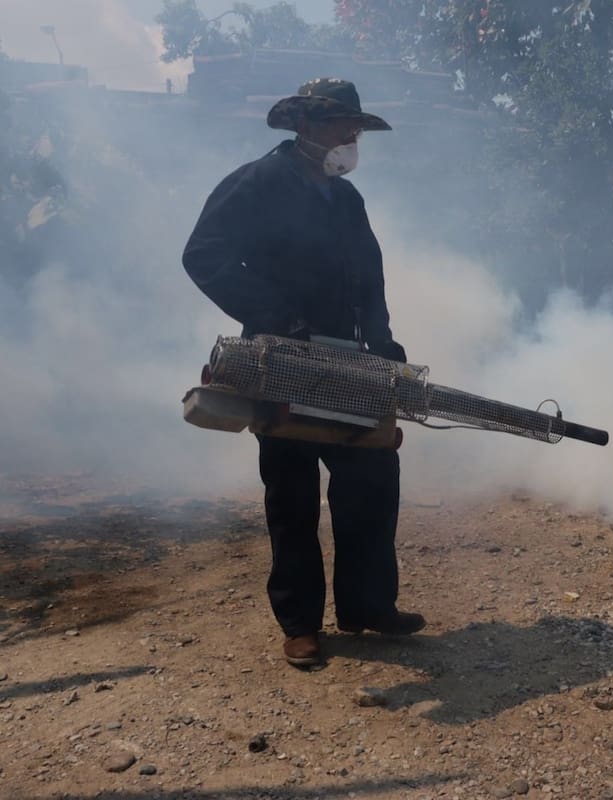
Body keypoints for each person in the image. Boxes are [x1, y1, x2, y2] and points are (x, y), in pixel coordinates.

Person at [182, 78, 425, 668]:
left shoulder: (347, 199)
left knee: (372, 477)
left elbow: (370, 276)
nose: (352, 137)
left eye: (357, 129)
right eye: (345, 125)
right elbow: (204, 254)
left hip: (350, 361)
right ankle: (300, 625)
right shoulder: (256, 183)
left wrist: (383, 341)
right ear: (309, 125)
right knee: (291, 496)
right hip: (279, 358)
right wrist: (273, 316)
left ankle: (369, 607)